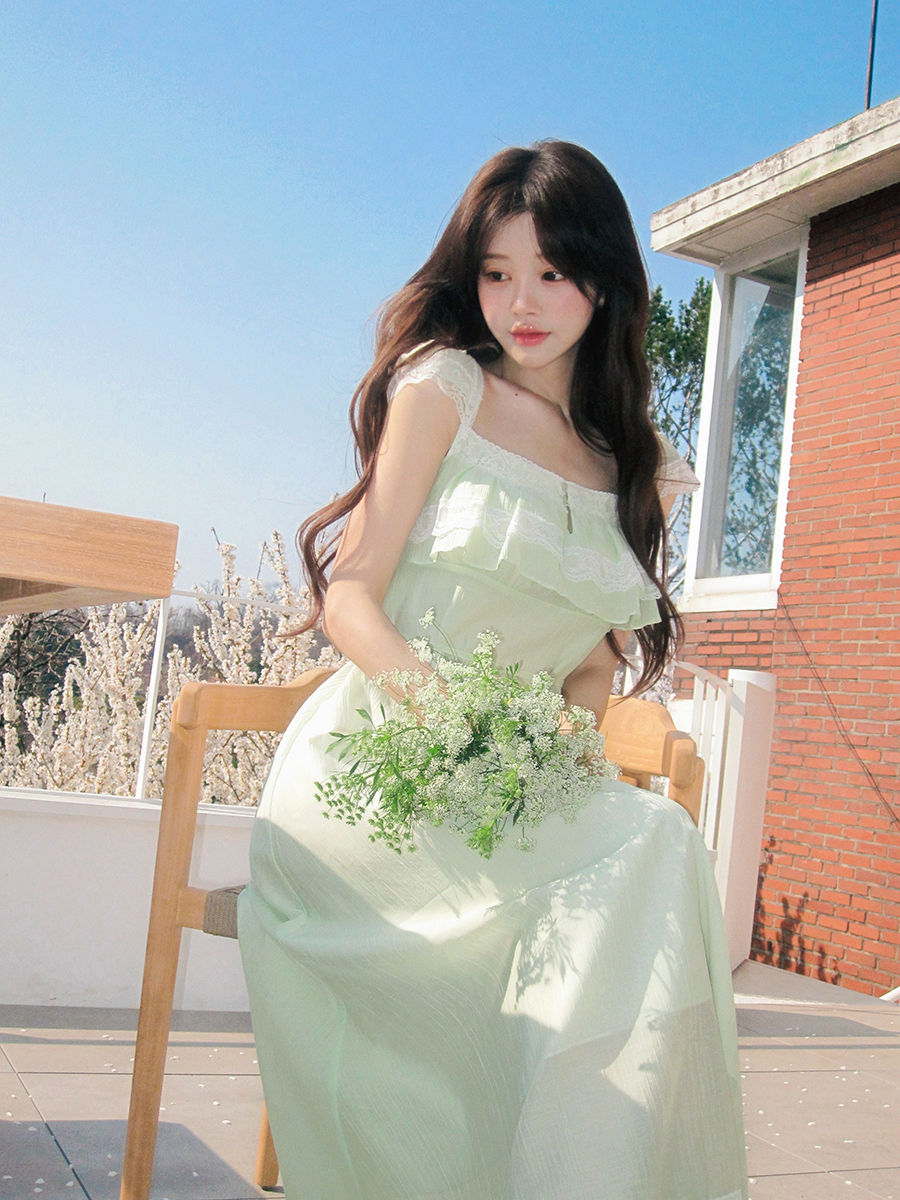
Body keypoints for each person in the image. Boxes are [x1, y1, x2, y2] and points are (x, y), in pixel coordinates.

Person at [238, 140, 748, 1200]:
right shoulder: (446, 389)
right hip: (374, 766)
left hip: (508, 790)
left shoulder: (635, 466)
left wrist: (548, 752)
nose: (523, 302)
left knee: (656, 846)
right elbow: (350, 598)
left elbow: (593, 668)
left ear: (603, 281)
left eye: (552, 273)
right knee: (637, 861)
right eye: (497, 272)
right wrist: (453, 723)